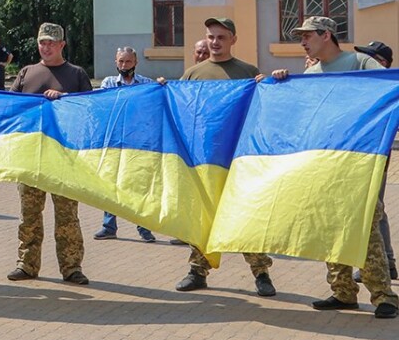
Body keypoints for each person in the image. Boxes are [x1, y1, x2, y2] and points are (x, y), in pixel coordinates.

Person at [264, 17, 396, 318]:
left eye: (308, 35)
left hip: (360, 160)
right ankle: (343, 292)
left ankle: (384, 297)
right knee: (331, 224)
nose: (302, 41)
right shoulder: (311, 72)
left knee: (366, 226)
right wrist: (283, 83)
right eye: (301, 36)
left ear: (327, 35)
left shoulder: (360, 62)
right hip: (324, 160)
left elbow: (387, 91)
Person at [172, 17, 275, 296]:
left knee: (245, 214)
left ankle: (261, 273)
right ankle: (197, 271)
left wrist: (269, 85)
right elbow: (178, 110)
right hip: (204, 158)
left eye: (221, 37)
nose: (214, 42)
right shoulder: (194, 74)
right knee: (204, 215)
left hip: (238, 159)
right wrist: (164, 90)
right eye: (210, 36)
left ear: (233, 40)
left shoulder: (248, 72)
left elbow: (261, 113)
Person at [6, 23, 91, 286]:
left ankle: (71, 267)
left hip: (64, 158)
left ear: (62, 45)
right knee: (29, 215)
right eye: (42, 42)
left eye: (52, 43)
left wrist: (64, 99)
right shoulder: (27, 73)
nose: (46, 47)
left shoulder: (76, 74)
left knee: (67, 216)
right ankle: (27, 264)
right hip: (31, 157)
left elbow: (89, 112)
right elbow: (10, 109)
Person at [93, 47, 155, 243]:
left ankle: (144, 227)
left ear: (135, 62)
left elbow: (155, 104)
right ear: (115, 61)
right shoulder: (108, 83)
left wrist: (163, 85)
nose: (124, 65)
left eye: (128, 62)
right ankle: (109, 226)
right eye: (120, 61)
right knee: (110, 183)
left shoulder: (146, 84)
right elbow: (102, 105)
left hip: (138, 142)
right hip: (114, 141)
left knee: (139, 184)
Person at [355, 41, 397, 280]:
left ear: (381, 63)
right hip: (361, 156)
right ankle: (386, 263)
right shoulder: (367, 87)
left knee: (374, 208)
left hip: (377, 157)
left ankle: (385, 263)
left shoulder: (386, 89)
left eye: (369, 58)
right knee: (372, 209)